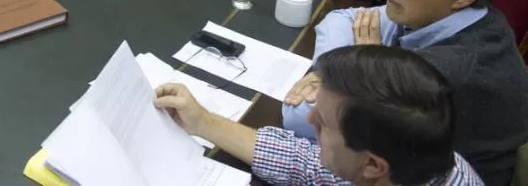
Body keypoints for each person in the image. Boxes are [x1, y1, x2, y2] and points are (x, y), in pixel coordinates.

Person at [284, 0, 528, 186]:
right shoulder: (451, 12)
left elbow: (300, 117)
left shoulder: (448, 70)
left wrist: (364, 68)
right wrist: (327, 73)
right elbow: (341, 19)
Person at [155, 45, 485, 186]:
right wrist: (202, 121)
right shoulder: (406, 159)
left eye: (323, 123)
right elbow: (307, 162)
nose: (308, 118)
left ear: (372, 165)